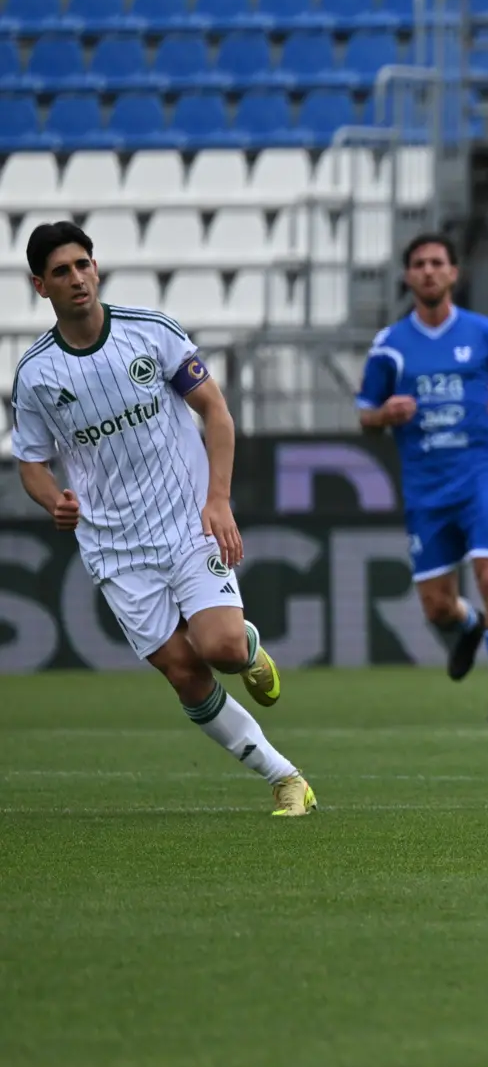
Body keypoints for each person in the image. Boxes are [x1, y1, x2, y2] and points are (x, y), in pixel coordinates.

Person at [12, 221, 315, 815]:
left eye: (83, 265)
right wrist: (54, 501)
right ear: (40, 286)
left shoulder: (150, 332)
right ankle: (285, 778)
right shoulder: (37, 374)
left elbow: (216, 412)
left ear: (96, 268)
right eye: (61, 272)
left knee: (221, 648)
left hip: (187, 522)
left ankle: (247, 647)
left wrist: (218, 500)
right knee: (183, 672)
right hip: (115, 547)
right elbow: (31, 463)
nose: (77, 279)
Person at [357, 234, 488, 723]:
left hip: (480, 477)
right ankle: (469, 624)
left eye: (438, 262)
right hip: (426, 487)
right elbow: (365, 415)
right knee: (437, 607)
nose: (429, 271)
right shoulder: (390, 346)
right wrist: (384, 414)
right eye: (419, 264)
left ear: (454, 273)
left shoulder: (484, 334)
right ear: (407, 276)